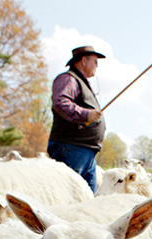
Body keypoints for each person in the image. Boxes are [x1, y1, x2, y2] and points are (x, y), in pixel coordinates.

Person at [47, 45, 106, 192]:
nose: (97, 66)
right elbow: (60, 103)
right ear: (84, 61)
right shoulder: (68, 79)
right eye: (95, 61)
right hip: (71, 148)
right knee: (68, 193)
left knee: (87, 198)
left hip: (85, 151)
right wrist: (86, 114)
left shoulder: (81, 82)